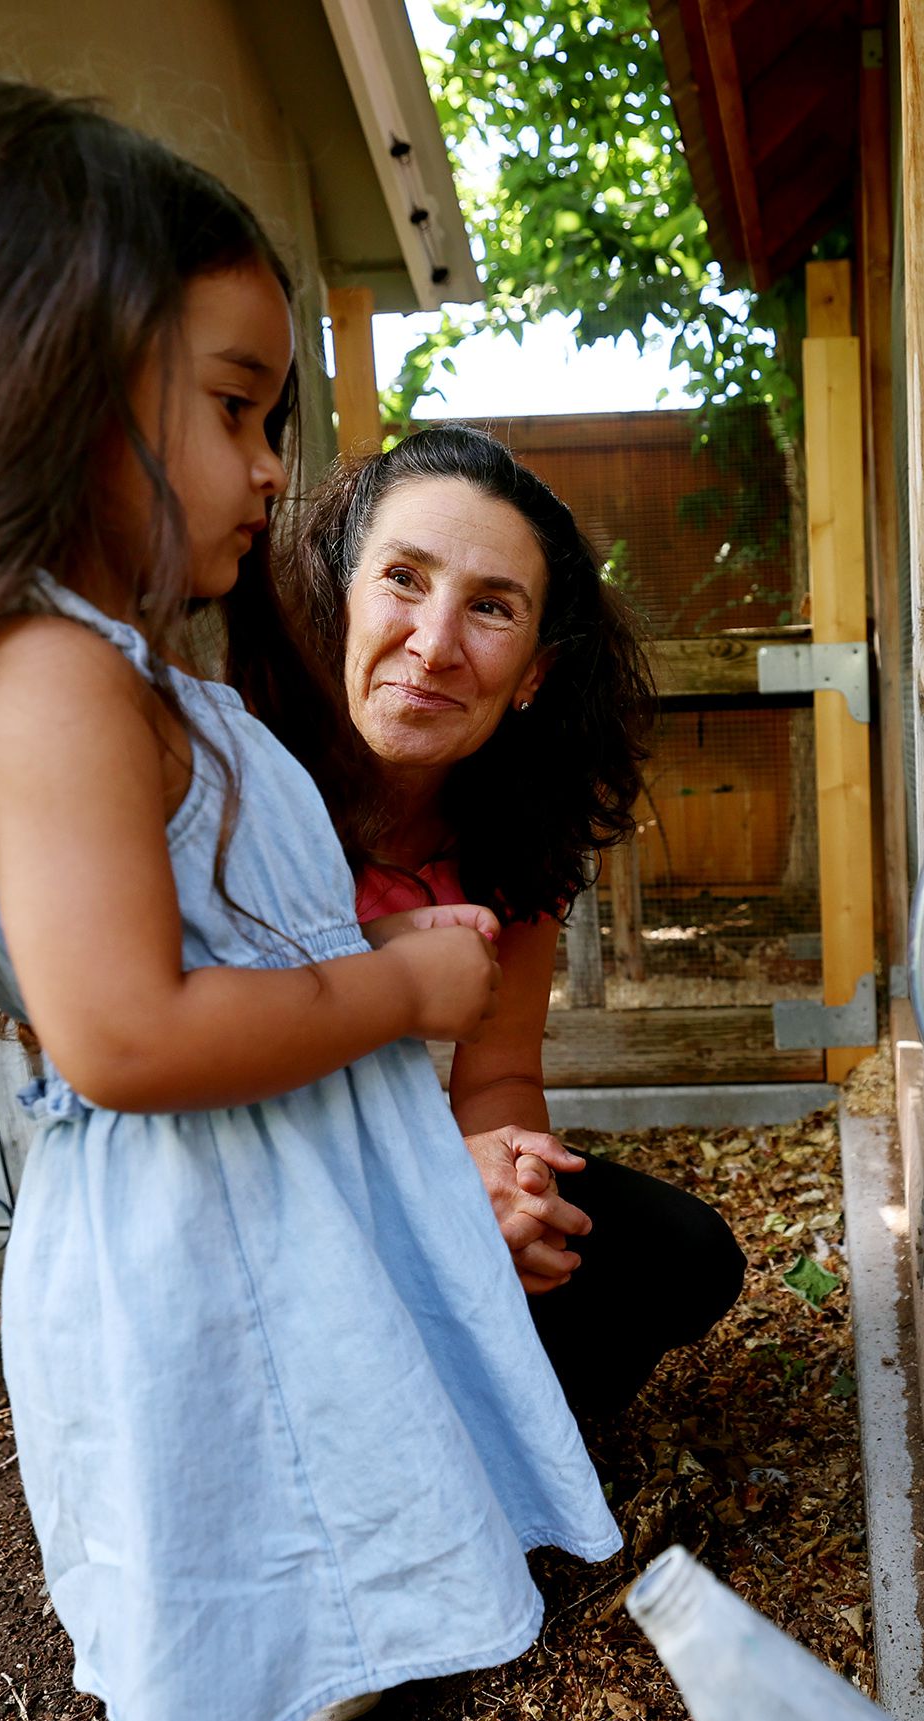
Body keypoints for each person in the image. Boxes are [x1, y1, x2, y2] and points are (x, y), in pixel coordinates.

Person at [0, 75, 617, 1721]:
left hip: (244, 1239)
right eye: (236, 408)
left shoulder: (120, 666)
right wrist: (399, 990)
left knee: (262, 1562)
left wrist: (395, 985)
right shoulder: (49, 675)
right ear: (52, 389)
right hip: (177, 1264)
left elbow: (195, 958)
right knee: (194, 1625)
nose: (268, 469)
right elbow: (128, 1034)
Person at [228, 425, 747, 1420]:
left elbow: (500, 1072)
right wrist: (435, 1193)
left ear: (535, 674)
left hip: (395, 1170)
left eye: (491, 607)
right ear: (338, 597)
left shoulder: (523, 821)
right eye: (404, 578)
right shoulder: (244, 779)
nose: (434, 644)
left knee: (676, 1254)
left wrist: (512, 1191)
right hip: (251, 1195)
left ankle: (513, 1460)